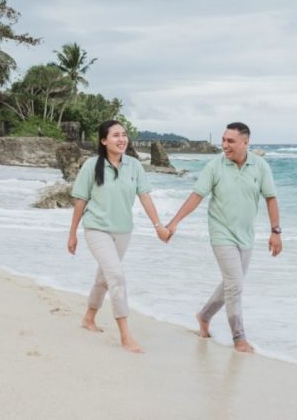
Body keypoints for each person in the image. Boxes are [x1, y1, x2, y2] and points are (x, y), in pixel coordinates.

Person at [166, 122, 282, 353]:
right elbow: (196, 196)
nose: (224, 145)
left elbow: (270, 198)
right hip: (221, 233)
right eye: (224, 140)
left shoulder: (260, 166)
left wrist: (275, 231)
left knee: (231, 284)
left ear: (245, 142)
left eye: (230, 141)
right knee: (235, 285)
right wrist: (174, 222)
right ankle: (239, 337)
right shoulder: (214, 166)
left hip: (246, 236)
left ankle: (204, 315)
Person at [67, 119, 171, 353]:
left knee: (104, 278)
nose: (122, 139)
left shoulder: (134, 166)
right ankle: (125, 335)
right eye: (115, 135)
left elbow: (145, 196)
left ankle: (89, 318)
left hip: (123, 230)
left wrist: (158, 226)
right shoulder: (91, 165)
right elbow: (80, 200)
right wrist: (72, 233)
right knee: (116, 277)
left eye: (124, 135)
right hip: (96, 229)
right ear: (104, 141)